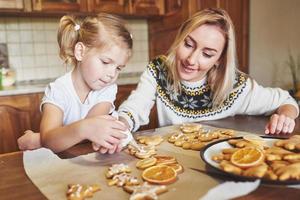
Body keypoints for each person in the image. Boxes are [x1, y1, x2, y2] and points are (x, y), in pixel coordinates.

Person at [118, 8, 299, 135]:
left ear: (219, 59)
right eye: (188, 44)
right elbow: (135, 107)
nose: (191, 59)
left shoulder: (236, 87)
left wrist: (285, 117)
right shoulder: (158, 71)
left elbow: (286, 101)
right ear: (179, 38)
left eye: (207, 54)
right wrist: (120, 126)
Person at [18, 13, 133, 153]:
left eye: (118, 68)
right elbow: (50, 140)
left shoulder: (107, 88)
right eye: (105, 62)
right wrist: (47, 139)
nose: (112, 74)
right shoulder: (58, 90)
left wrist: (39, 139)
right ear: (80, 52)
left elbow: (91, 130)